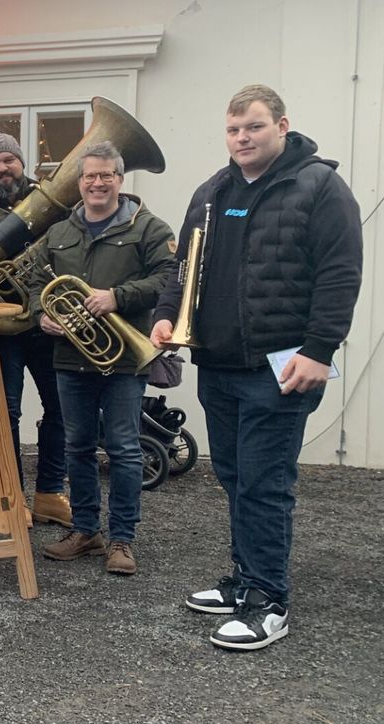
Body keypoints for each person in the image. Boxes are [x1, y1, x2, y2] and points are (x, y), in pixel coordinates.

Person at [151, 85, 362, 651]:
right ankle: (245, 580)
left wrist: (320, 349)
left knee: (266, 484)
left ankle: (269, 600)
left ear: (282, 127)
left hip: (283, 362)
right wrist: (167, 317)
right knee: (236, 478)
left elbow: (340, 273)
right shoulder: (212, 191)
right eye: (233, 130)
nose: (242, 138)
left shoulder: (319, 186)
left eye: (254, 128)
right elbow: (181, 267)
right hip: (217, 360)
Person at [25, 141, 175, 576]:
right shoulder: (59, 232)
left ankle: (122, 539)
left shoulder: (147, 227)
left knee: (126, 450)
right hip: (72, 357)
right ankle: (86, 530)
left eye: (105, 174)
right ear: (80, 181)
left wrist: (118, 296)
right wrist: (42, 314)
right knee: (77, 446)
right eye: (89, 175)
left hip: (125, 358)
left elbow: (168, 278)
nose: (96, 182)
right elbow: (36, 282)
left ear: (120, 179)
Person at [0, 133, 72, 527]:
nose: (2, 168)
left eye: (9, 160)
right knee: (4, 414)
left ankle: (50, 492)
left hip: (48, 324)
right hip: (0, 331)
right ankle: (10, 495)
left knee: (61, 409)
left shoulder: (50, 202)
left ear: (22, 162)